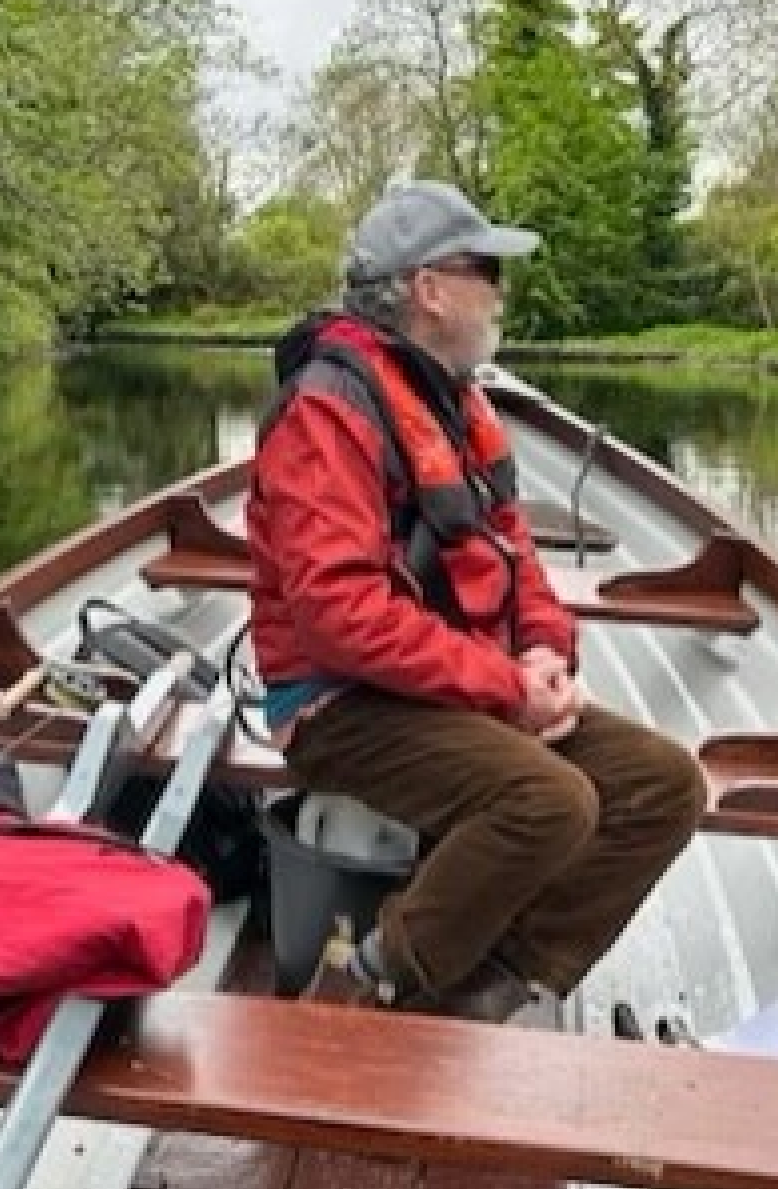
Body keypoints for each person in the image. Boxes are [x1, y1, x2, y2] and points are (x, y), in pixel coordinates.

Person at [246, 180, 709, 1021]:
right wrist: (505, 690)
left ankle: (488, 981)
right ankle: (379, 969)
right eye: (487, 270)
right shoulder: (326, 412)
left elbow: (513, 549)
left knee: (664, 784)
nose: (500, 292)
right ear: (429, 288)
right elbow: (339, 617)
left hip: (450, 685)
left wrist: (544, 652)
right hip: (339, 706)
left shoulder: (454, 401)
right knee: (550, 800)